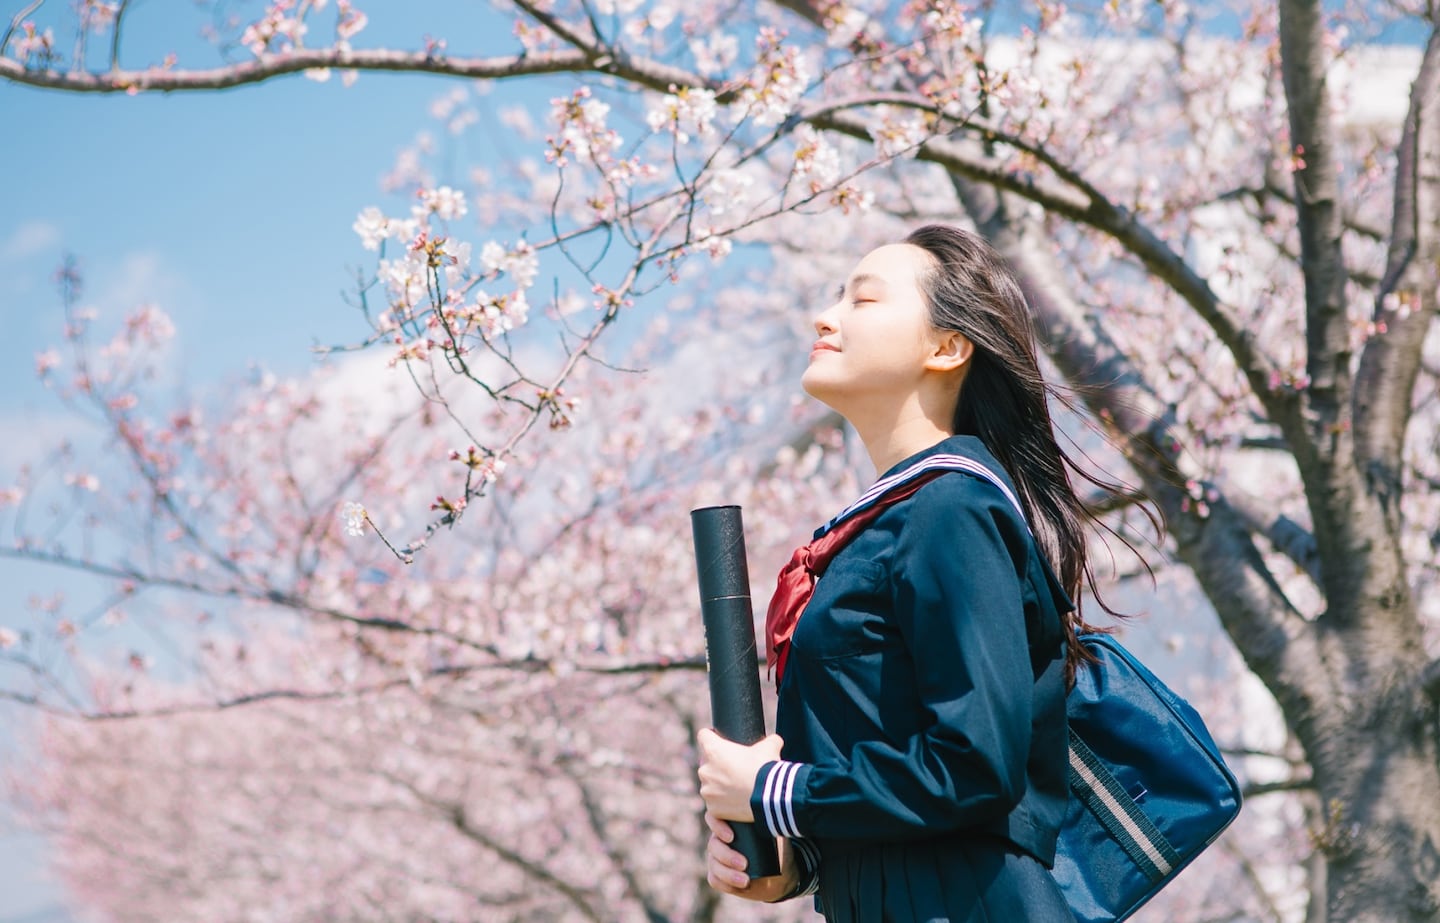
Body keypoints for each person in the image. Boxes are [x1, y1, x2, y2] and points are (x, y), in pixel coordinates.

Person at [696, 225, 1120, 921]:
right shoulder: (890, 524)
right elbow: (895, 780)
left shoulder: (952, 508)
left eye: (863, 300)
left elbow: (974, 764)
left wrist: (776, 791)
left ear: (947, 348)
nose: (825, 316)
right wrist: (791, 864)